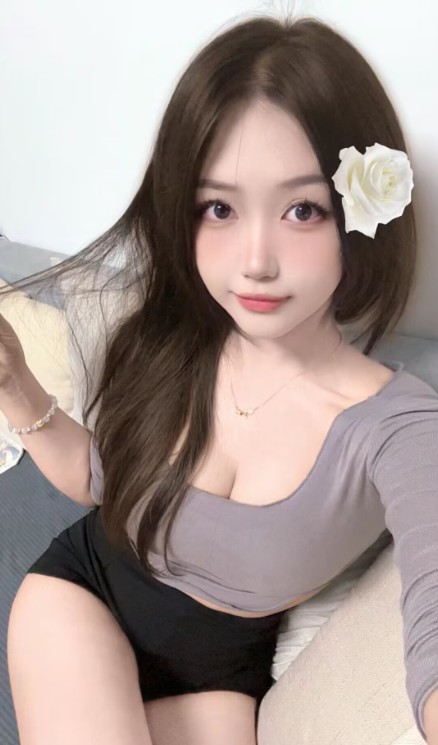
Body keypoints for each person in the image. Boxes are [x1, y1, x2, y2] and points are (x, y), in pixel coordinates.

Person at [1, 11, 437, 745]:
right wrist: (15, 384)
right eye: (220, 208)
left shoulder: (396, 426)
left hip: (221, 685)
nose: (255, 260)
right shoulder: (171, 337)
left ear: (360, 215)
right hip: (84, 596)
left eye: (302, 209)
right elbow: (99, 482)